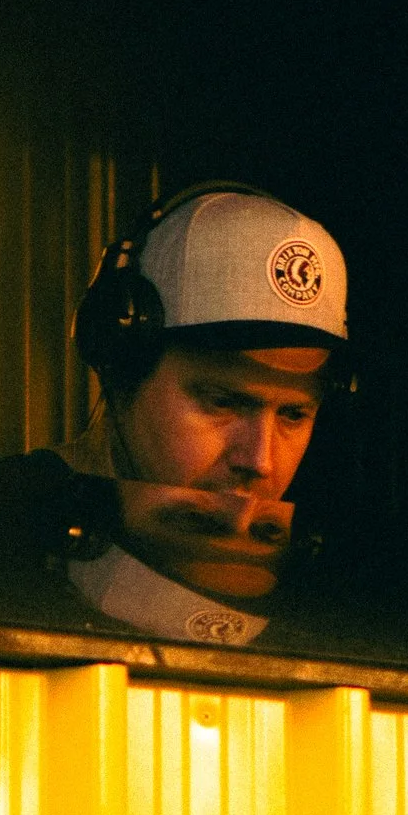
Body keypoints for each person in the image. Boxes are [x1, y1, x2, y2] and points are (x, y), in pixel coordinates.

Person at [58, 183, 350, 647]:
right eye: (223, 401)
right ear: (120, 368)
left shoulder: (330, 608)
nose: (260, 461)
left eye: (294, 414)